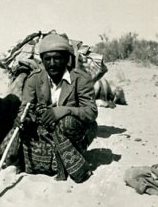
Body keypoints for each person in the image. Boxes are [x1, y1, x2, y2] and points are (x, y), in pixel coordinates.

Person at [14, 33, 98, 183]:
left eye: (57, 58)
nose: (52, 63)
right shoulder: (34, 79)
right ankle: (54, 161)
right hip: (46, 130)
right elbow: (25, 108)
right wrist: (25, 118)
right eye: (47, 59)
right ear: (42, 61)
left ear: (66, 59)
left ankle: (77, 169)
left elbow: (91, 112)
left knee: (66, 122)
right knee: (15, 127)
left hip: (74, 131)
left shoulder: (80, 79)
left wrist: (63, 110)